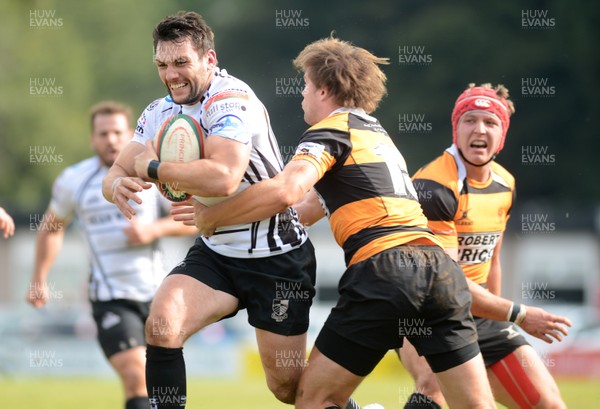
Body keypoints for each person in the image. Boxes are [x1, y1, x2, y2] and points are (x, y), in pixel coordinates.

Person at [186, 36, 499, 409]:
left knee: (313, 399)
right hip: (441, 273)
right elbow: (301, 210)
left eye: (304, 85)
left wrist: (213, 216)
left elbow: (287, 189)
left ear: (323, 88)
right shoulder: (376, 133)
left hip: (386, 271)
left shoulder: (330, 130)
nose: (301, 95)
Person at [102, 12, 365, 409]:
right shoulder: (159, 111)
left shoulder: (230, 100)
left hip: (277, 259)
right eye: (162, 65)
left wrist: (151, 168)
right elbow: (118, 169)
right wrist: (115, 185)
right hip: (217, 254)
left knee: (288, 389)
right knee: (162, 323)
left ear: (209, 59)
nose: (170, 74)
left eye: (180, 63)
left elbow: (224, 177)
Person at [396, 83, 569, 408]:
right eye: (469, 120)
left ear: (501, 135)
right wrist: (518, 314)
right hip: (425, 309)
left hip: (479, 309)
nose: (479, 129)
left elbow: (494, 259)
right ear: (455, 129)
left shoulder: (505, 184)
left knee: (549, 404)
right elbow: (445, 285)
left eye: (490, 122)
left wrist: (501, 317)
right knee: (435, 386)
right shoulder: (434, 187)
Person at [26, 101, 196, 409]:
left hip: (159, 295)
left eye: (118, 132)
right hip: (110, 298)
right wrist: (38, 279)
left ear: (130, 134)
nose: (111, 140)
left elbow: (193, 220)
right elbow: (51, 228)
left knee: (162, 385)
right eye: (103, 134)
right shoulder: (74, 180)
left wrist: (154, 230)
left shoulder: (154, 175)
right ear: (92, 139)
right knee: (135, 375)